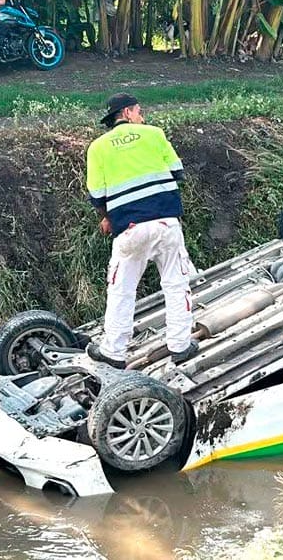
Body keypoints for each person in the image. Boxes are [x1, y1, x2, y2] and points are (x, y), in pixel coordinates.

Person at [86, 93, 199, 369]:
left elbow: (97, 196)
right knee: (175, 284)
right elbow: (177, 172)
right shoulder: (154, 134)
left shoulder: (97, 148)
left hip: (129, 228)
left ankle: (113, 351)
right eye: (138, 111)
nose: (142, 116)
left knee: (121, 290)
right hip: (166, 223)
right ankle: (180, 346)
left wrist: (107, 218)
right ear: (127, 113)